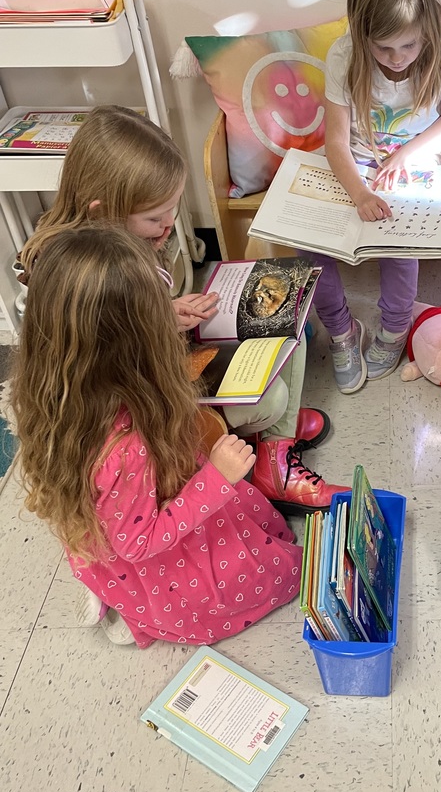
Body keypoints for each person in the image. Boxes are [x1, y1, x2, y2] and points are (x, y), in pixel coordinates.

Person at [16, 104, 345, 512]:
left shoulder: (111, 246)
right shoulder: (82, 279)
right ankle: (270, 447)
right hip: (146, 402)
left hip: (163, 362)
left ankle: (272, 450)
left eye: (173, 209)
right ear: (103, 212)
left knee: (286, 328)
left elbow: (131, 319)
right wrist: (160, 326)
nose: (169, 225)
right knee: (272, 396)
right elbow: (115, 371)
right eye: (155, 217)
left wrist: (168, 313)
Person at [11, 226, 305, 647]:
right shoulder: (126, 448)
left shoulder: (53, 393)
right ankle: (136, 610)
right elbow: (138, 541)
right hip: (164, 556)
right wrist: (217, 478)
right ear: (128, 345)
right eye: (156, 318)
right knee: (285, 574)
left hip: (117, 534)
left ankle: (117, 594)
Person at [317, 0, 441, 393]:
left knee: (400, 236)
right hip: (356, 159)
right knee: (310, 242)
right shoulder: (343, 54)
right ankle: (341, 331)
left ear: (428, 27)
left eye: (409, 44)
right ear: (360, 32)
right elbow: (334, 141)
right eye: (383, 47)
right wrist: (360, 193)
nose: (396, 58)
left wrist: (406, 154)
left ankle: (393, 328)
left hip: (419, 154)